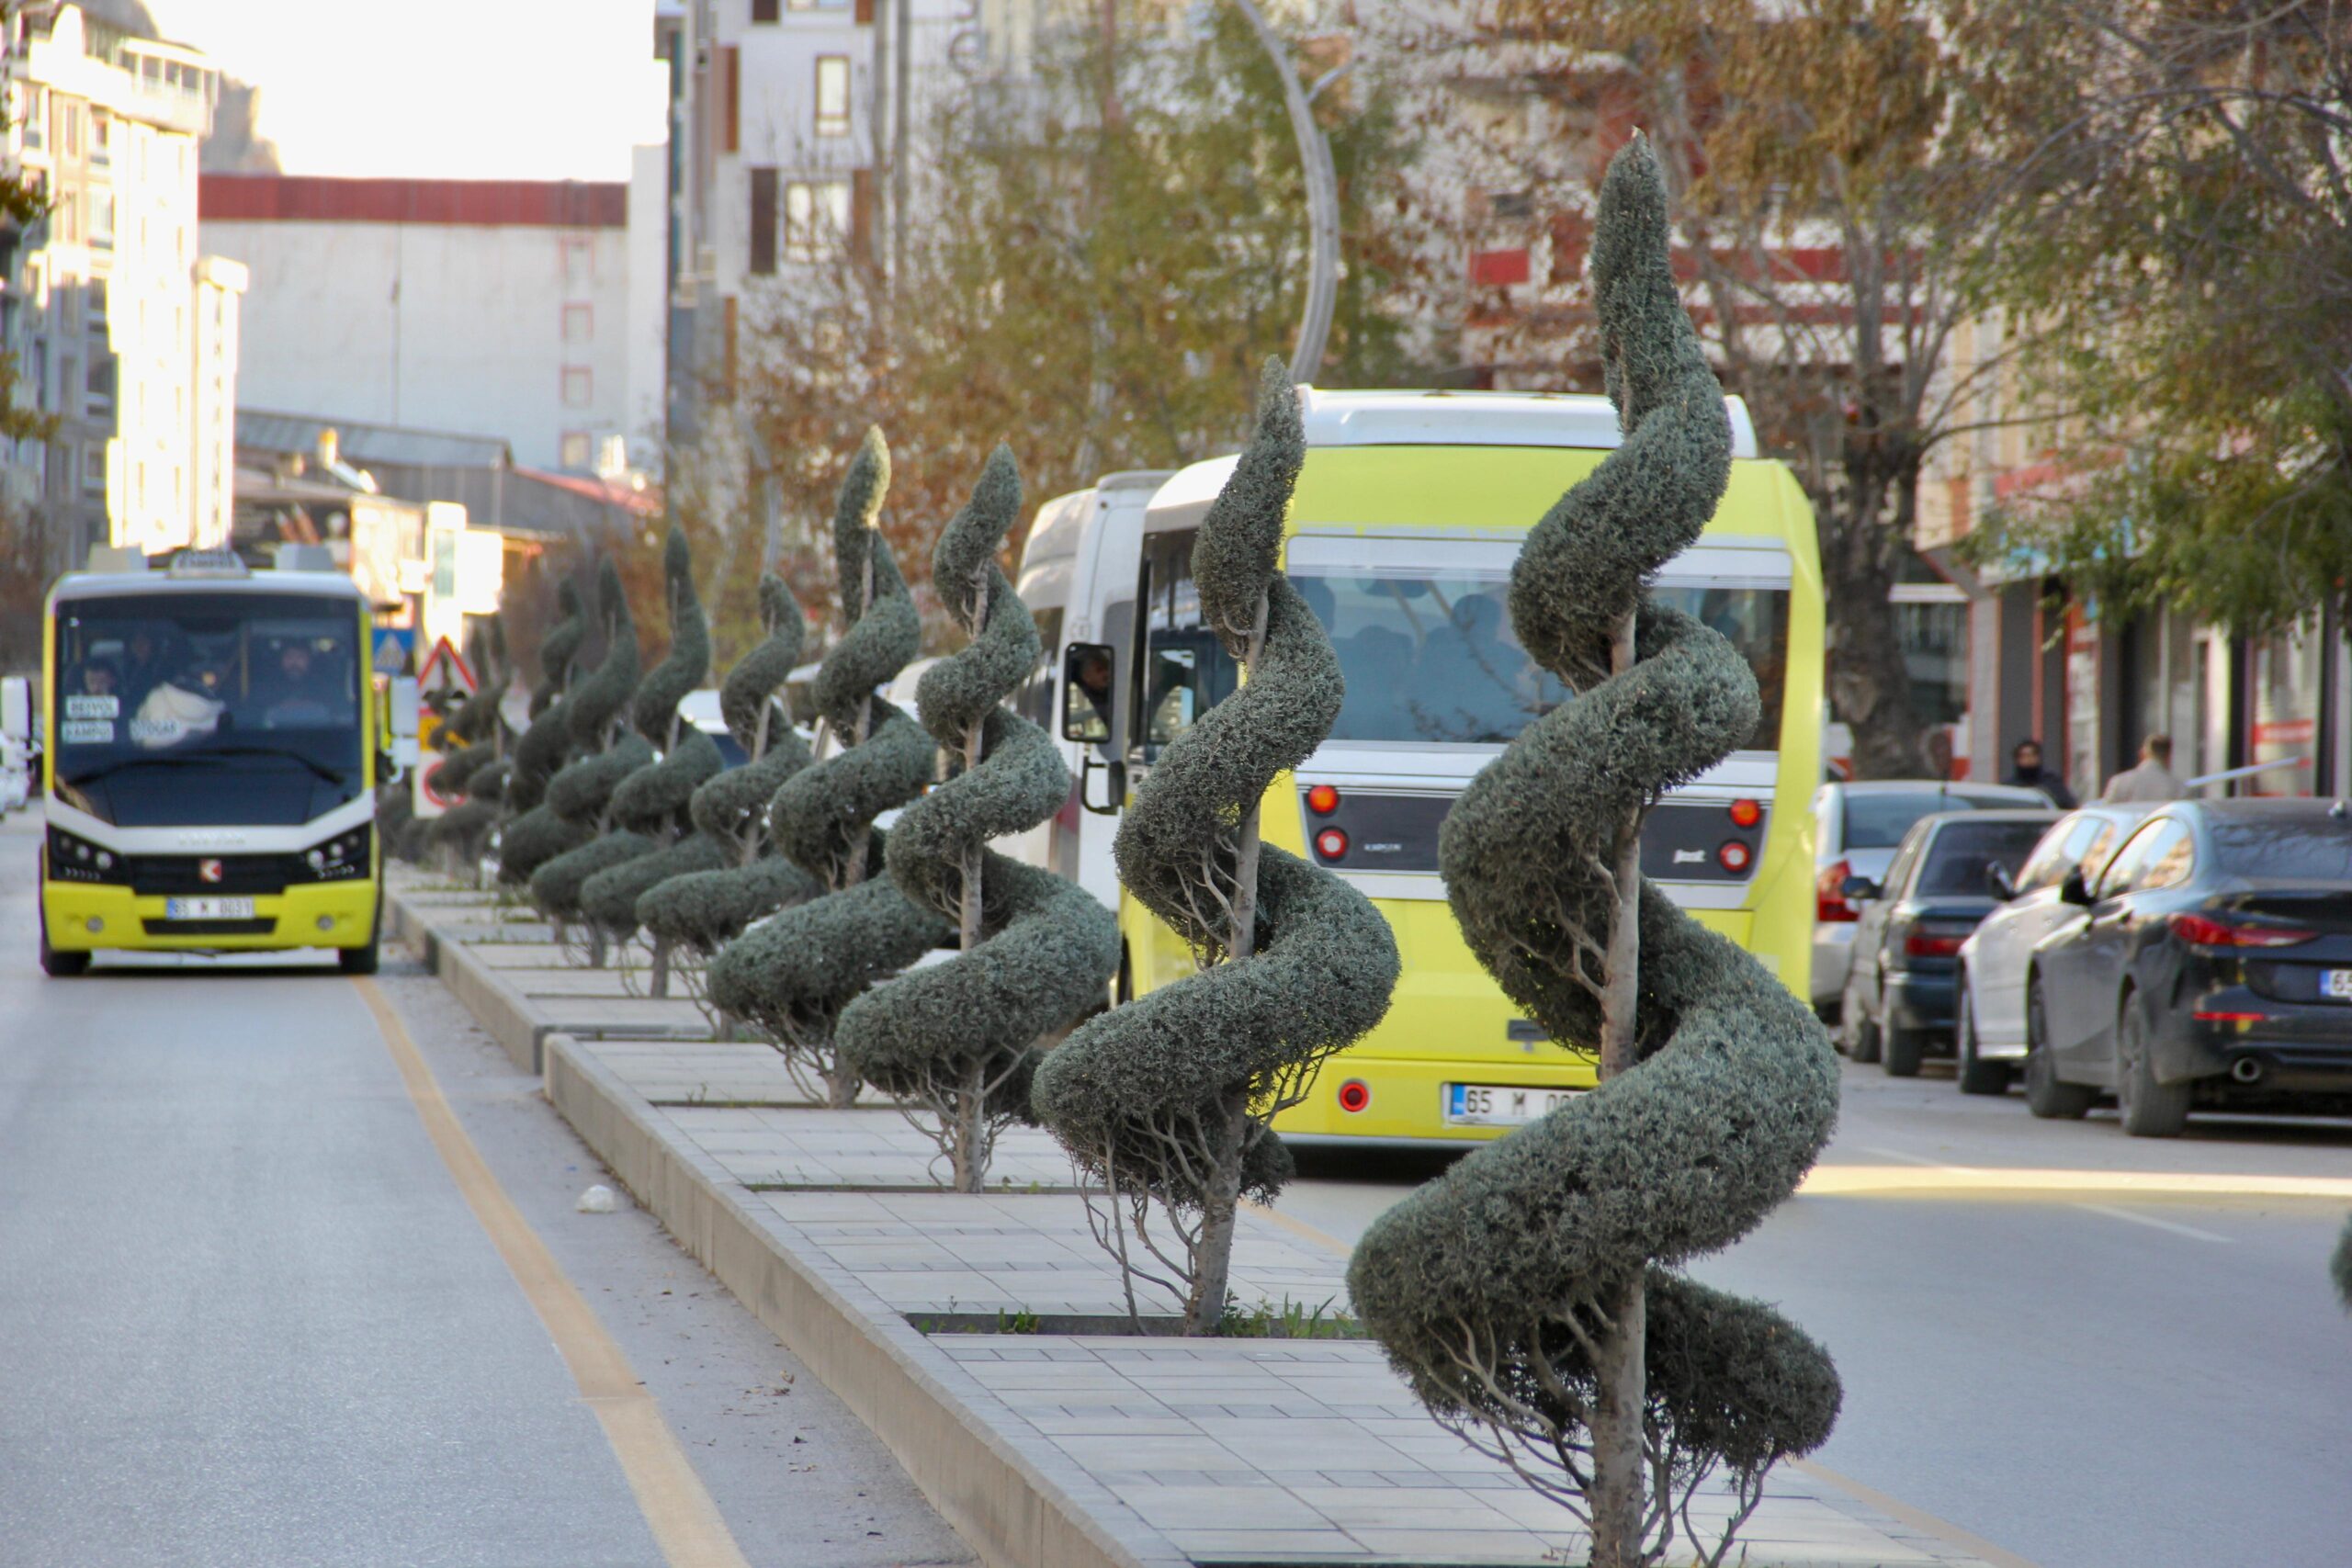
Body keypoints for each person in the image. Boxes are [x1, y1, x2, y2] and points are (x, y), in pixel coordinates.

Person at [2104, 733, 2185, 804]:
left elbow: (2108, 812)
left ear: (2142, 754)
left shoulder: (2120, 782)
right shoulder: (2178, 787)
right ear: (2168, 756)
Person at [2003, 738, 2077, 808]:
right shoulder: (2010, 787)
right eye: (2024, 756)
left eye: (2032, 755)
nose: (2029, 759)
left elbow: (2067, 804)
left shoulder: (2052, 782)